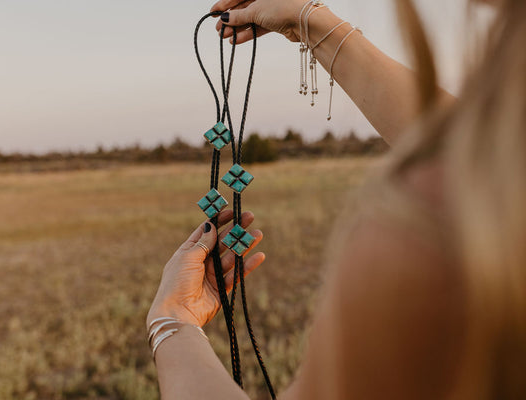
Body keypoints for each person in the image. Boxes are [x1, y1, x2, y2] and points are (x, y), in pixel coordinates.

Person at [147, 0, 526, 398]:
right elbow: (471, 158)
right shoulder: (495, 192)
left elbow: (462, 166)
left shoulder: (437, 238)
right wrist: (306, 17)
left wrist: (172, 321)